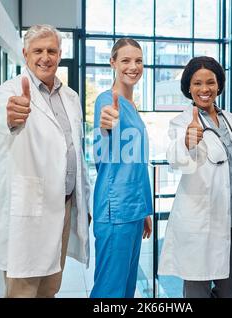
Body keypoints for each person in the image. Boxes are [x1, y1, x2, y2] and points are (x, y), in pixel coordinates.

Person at [0, 24, 91, 298]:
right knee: (23, 289)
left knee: (51, 286)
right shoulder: (10, 90)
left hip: (64, 205)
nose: (46, 57)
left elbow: (75, 151)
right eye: (38, 51)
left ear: (60, 54)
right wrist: (10, 114)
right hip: (30, 206)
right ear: (25, 54)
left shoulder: (71, 97)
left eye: (51, 51)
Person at [158, 56, 232, 298]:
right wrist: (186, 142)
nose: (204, 89)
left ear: (219, 85)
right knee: (197, 294)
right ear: (188, 88)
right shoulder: (181, 122)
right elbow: (174, 157)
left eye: (210, 82)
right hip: (200, 228)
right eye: (197, 83)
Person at [90, 38, 153, 298]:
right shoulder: (107, 101)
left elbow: (136, 163)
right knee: (109, 291)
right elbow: (104, 131)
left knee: (126, 289)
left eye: (138, 60)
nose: (133, 66)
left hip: (133, 210)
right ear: (112, 63)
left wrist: (144, 210)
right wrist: (106, 124)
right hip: (115, 209)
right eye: (125, 60)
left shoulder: (133, 106)